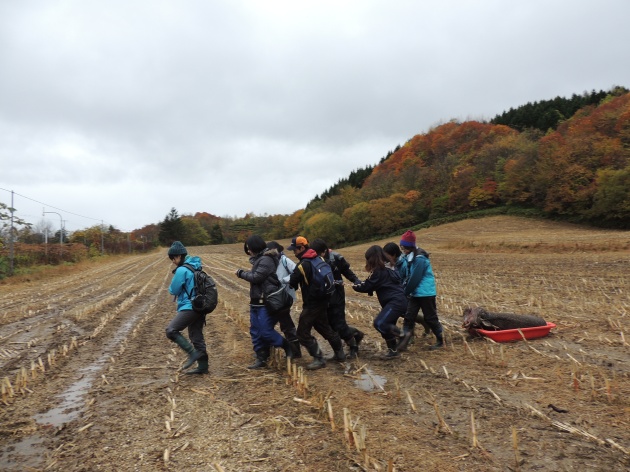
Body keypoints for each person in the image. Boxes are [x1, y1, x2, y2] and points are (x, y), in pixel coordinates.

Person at [287, 236, 346, 370]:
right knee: (323, 327)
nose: (294, 253)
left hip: (312, 303)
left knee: (302, 333)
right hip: (324, 299)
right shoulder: (318, 258)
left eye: (294, 250)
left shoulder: (302, 265)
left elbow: (292, 283)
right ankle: (340, 354)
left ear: (302, 248)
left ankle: (319, 359)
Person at [235, 235, 293, 369]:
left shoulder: (266, 260)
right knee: (255, 330)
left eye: (249, 248)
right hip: (255, 301)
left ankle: (286, 345)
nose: (248, 251)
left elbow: (256, 277)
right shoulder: (258, 260)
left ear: (254, 247)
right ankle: (261, 356)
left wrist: (241, 273)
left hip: (265, 301)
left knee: (265, 331)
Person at [310, 238, 364, 359]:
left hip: (337, 294)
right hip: (324, 296)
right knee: (330, 325)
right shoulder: (313, 260)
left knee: (339, 324)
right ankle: (356, 333)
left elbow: (347, 271)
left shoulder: (336, 258)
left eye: (319, 254)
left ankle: (353, 346)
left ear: (324, 251)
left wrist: (356, 281)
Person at [352, 245, 408, 359]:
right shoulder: (390, 266)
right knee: (386, 327)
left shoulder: (379, 271)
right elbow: (377, 284)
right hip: (399, 301)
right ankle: (393, 352)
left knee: (380, 323)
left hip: (395, 302)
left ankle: (402, 335)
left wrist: (355, 285)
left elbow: (366, 286)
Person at [396, 230, 444, 351]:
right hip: (415, 293)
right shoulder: (409, 256)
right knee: (409, 316)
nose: (403, 250)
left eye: (404, 248)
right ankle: (404, 341)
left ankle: (440, 340)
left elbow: (415, 279)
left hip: (426, 293)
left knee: (430, 318)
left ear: (410, 246)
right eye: (402, 248)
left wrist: (405, 292)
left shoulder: (420, 258)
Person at [166, 241, 208, 375]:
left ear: (178, 256)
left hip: (189, 306)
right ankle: (203, 367)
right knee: (196, 336)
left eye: (173, 258)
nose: (172, 261)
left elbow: (173, 289)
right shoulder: (195, 266)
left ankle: (192, 354)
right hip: (200, 305)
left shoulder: (182, 269)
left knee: (171, 330)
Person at [383, 242, 431, 339]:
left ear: (394, 255)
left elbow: (409, 278)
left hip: (407, 291)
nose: (385, 259)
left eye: (387, 256)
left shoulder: (404, 263)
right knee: (407, 314)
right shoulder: (392, 263)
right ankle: (425, 325)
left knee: (408, 315)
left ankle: (410, 336)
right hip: (400, 291)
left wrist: (405, 290)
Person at [266, 241, 301, 358]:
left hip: (285, 296)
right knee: (285, 322)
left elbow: (297, 272)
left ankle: (294, 351)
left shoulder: (285, 261)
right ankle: (294, 351)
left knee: (285, 323)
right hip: (276, 297)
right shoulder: (271, 262)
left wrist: (284, 280)